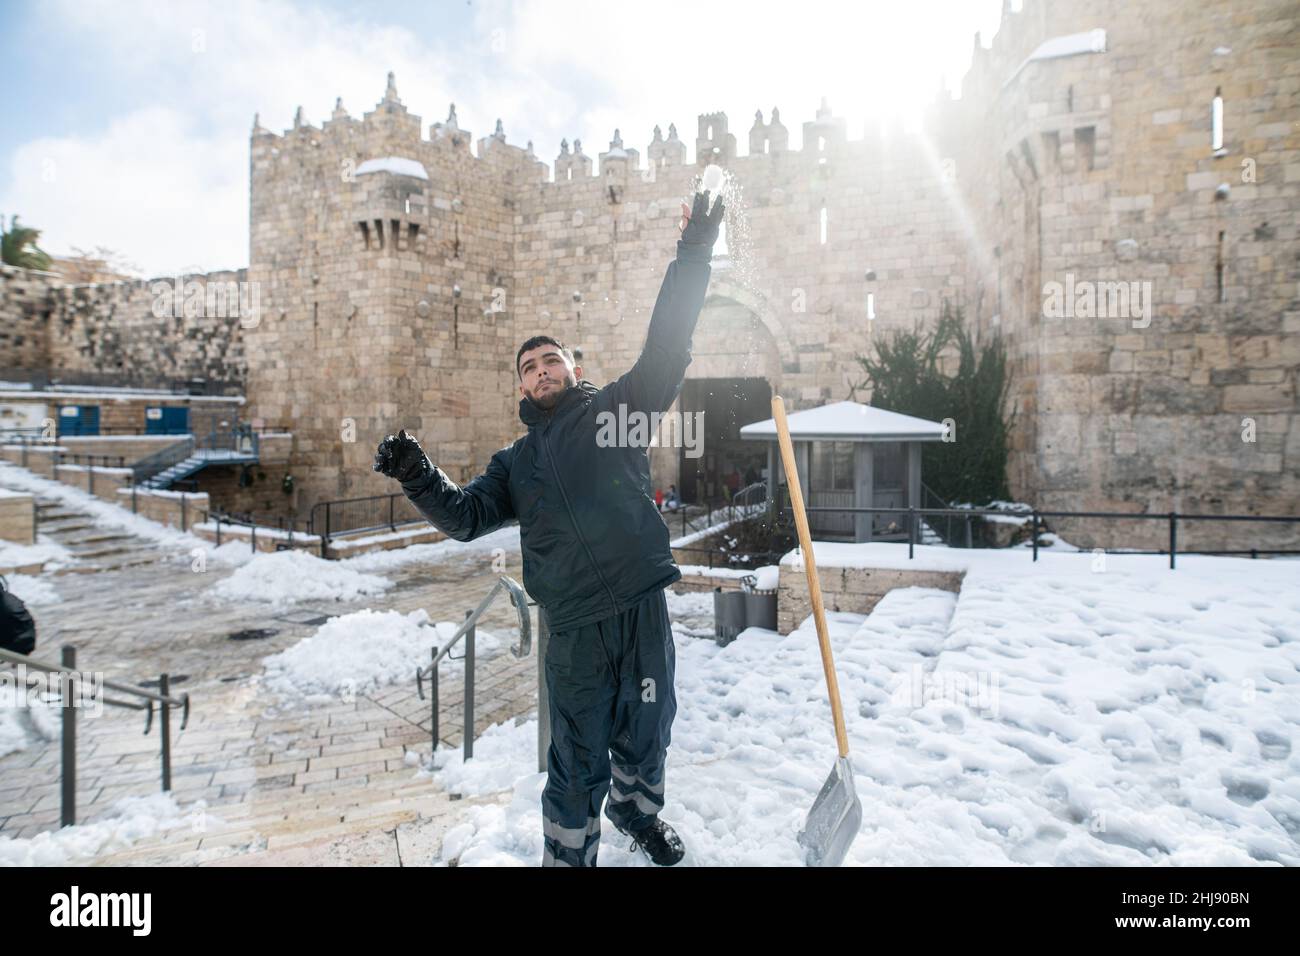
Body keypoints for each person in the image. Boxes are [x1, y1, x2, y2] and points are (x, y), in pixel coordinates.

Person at [374, 189, 725, 867]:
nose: (541, 371)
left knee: (650, 728)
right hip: (574, 631)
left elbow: (667, 342)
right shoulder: (516, 462)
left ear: (574, 369)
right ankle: (569, 856)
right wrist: (417, 473)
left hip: (640, 609)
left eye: (551, 360)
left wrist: (695, 249)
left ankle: (636, 813)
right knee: (577, 753)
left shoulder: (618, 411)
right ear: (521, 387)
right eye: (529, 367)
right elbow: (466, 519)